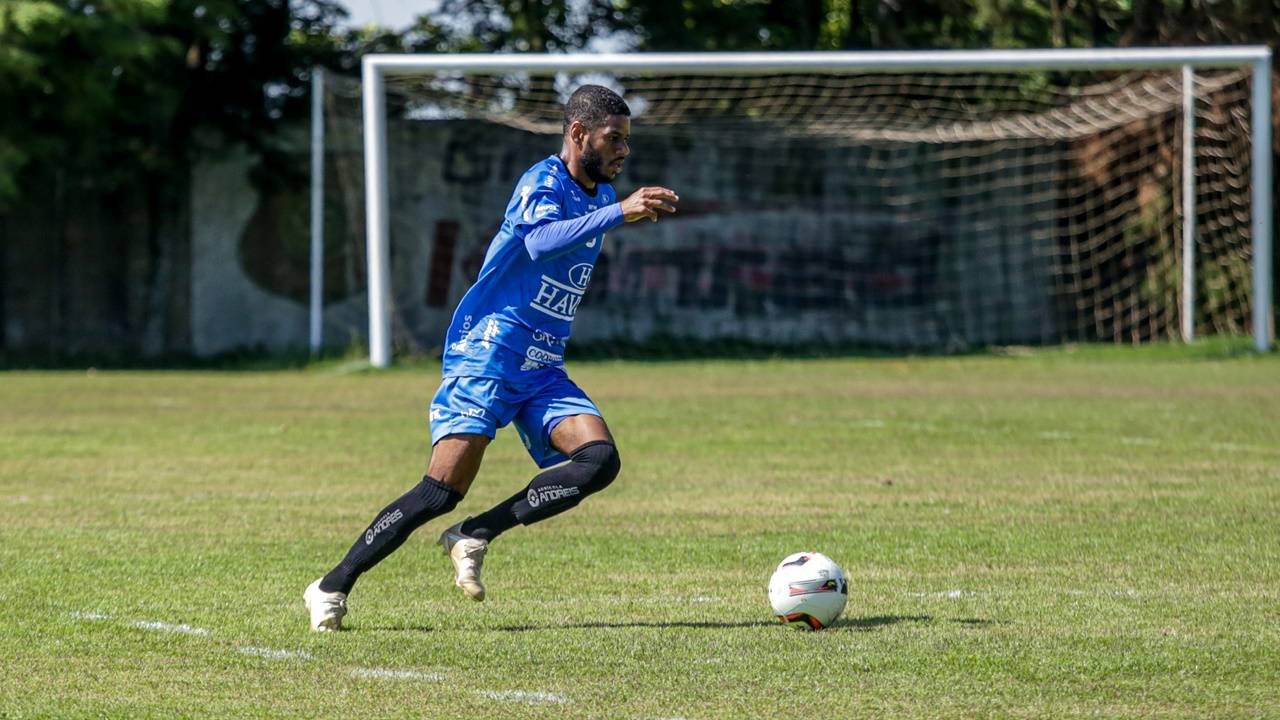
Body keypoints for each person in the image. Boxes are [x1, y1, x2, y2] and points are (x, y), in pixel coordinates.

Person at [304, 85, 679, 631]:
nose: (624, 151)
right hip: (488, 352)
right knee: (440, 491)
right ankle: (331, 586)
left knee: (599, 461)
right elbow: (540, 242)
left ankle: (476, 533)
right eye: (614, 139)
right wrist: (622, 212)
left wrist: (615, 209)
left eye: (627, 141)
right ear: (579, 134)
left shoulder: (599, 197)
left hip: (542, 365)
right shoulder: (544, 180)